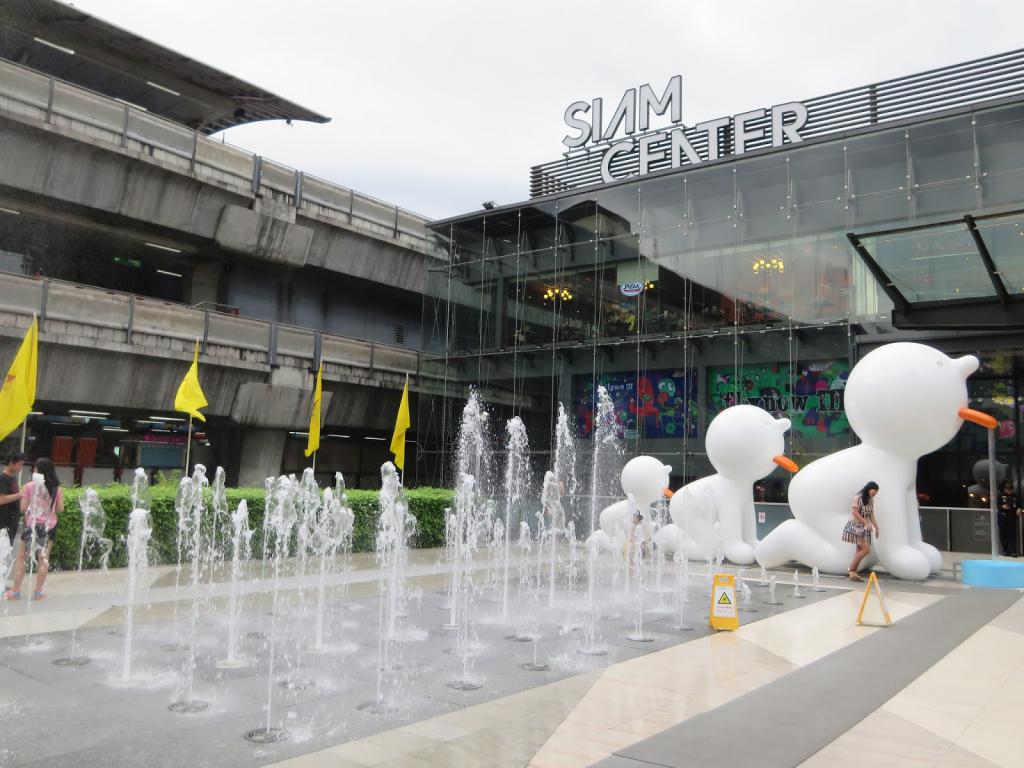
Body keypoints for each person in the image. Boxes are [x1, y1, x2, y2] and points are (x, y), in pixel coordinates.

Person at [4, 458, 63, 601]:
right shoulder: (56, 488)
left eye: (35, 468)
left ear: (38, 470)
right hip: (49, 527)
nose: (33, 470)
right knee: (44, 559)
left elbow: (23, 508)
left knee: (22, 558)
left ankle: (16, 591)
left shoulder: (29, 486)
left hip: (32, 526)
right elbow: (60, 509)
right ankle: (38, 592)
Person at [842, 481, 880, 581]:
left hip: (864, 527)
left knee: (860, 550)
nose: (874, 494)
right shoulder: (858, 497)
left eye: (876, 493)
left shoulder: (871, 500)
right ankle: (851, 569)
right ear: (869, 488)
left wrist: (876, 526)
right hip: (856, 526)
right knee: (866, 549)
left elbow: (871, 514)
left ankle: (853, 573)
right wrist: (865, 523)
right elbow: (855, 512)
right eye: (874, 491)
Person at [0, 451, 25, 547]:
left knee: (8, 551)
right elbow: (1, 500)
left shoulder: (13, 477)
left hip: (13, 521)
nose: (21, 468)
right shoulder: (2, 478)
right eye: (19, 465)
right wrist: (19, 494)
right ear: (11, 463)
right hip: (3, 523)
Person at [997, 479, 1021, 558]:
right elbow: (997, 505)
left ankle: (1013, 551)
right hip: (1003, 517)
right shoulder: (1000, 496)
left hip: (1012, 517)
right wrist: (1002, 507)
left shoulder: (1016, 496)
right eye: (1008, 490)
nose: (1009, 491)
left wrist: (1019, 508)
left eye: (1011, 490)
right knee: (1003, 534)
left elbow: (1020, 504)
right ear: (1005, 489)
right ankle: (1005, 551)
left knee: (1012, 535)